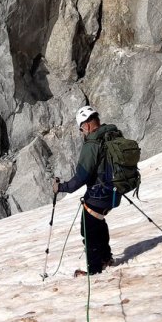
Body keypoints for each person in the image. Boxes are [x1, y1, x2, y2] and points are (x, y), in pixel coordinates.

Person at [53, 106, 119, 276]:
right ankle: (106, 258)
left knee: (88, 229)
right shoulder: (112, 134)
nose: (82, 132)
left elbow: (81, 177)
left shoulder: (92, 144)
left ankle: (95, 269)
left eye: (81, 128)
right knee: (98, 221)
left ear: (87, 125)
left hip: (99, 195)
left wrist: (61, 187)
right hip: (115, 193)